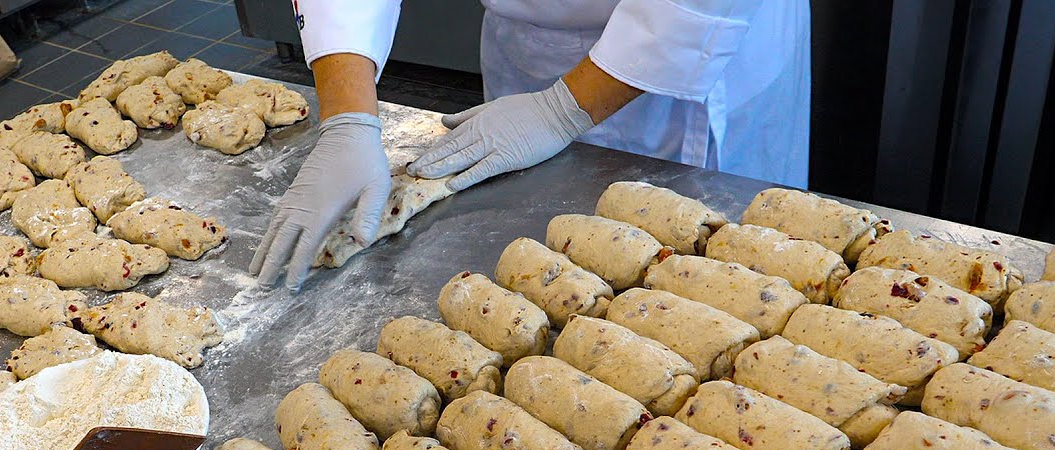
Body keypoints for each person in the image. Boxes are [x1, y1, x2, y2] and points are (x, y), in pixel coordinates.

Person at [252, 1, 810, 290]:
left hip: (683, 61)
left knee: (700, 273)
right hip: (526, 41)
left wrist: (563, 108)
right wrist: (349, 114)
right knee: (536, 261)